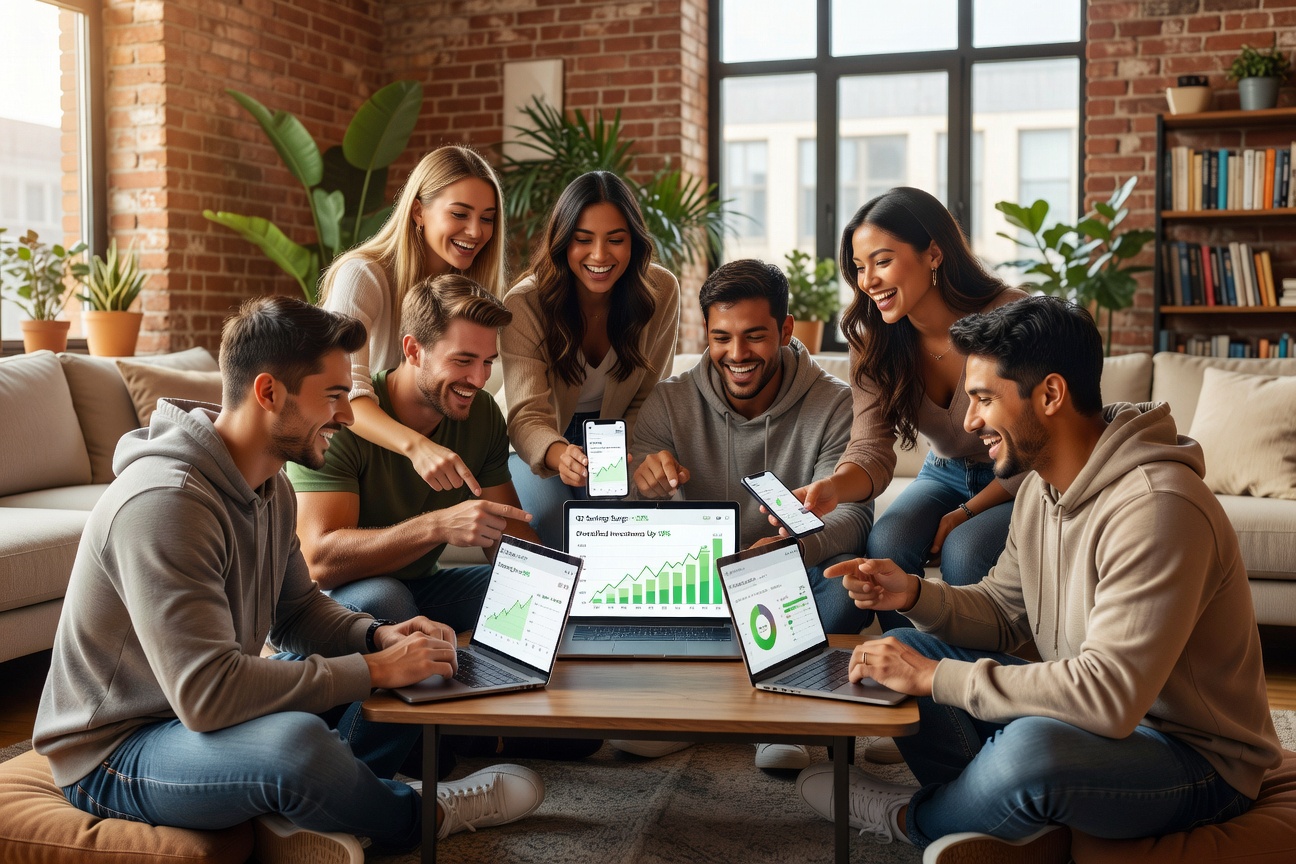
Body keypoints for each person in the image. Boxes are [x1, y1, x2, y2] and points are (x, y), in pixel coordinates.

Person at [33, 296, 544, 864]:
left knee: (409, 664)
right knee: (297, 747)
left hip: (194, 714)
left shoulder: (270, 485)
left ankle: (313, 805)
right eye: (333, 396)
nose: (350, 416)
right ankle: (425, 814)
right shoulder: (166, 503)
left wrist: (377, 639)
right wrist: (371, 669)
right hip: (117, 748)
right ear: (269, 393)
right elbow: (209, 696)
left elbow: (298, 613)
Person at [795, 296, 1283, 862]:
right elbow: (1003, 615)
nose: (970, 421)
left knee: (1029, 747)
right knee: (903, 645)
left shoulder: (1158, 507)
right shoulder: (1039, 489)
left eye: (982, 399)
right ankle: (1003, 819)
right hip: (1098, 728)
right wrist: (912, 594)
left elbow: (1109, 697)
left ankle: (914, 818)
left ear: (1049, 394)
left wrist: (938, 678)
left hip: (1195, 761)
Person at [794, 187, 1028, 608]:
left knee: (965, 552)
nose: (868, 281)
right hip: (944, 472)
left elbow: (1035, 445)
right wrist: (833, 486)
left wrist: (967, 512)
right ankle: (905, 659)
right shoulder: (872, 340)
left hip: (1016, 475)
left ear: (933, 254)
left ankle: (961, 671)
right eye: (860, 267)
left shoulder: (1011, 317)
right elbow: (869, 448)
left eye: (882, 261)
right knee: (886, 544)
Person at [632, 259, 873, 635]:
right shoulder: (668, 401)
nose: (738, 354)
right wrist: (642, 486)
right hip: (697, 576)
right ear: (706, 334)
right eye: (722, 337)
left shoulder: (837, 404)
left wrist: (790, 548)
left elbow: (852, 516)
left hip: (787, 567)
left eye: (755, 336)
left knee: (843, 592)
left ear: (785, 330)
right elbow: (625, 518)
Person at [290, 274, 537, 632]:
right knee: (385, 600)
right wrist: (437, 527)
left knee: (529, 590)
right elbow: (318, 562)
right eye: (463, 360)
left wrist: (558, 583)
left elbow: (509, 538)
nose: (480, 379)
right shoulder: (341, 420)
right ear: (413, 350)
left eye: (487, 362)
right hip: (327, 598)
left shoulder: (482, 415)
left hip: (423, 590)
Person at [501, 170, 681, 549]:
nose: (600, 256)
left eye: (616, 240)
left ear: (634, 243)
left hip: (616, 437)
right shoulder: (525, 303)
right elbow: (526, 415)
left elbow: (647, 398)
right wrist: (558, 453)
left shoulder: (661, 291)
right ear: (563, 243)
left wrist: (622, 457)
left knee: (626, 530)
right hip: (538, 441)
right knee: (555, 528)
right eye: (583, 240)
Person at [320, 145, 507, 497]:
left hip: (416, 471)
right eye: (460, 214)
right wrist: (418, 448)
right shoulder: (362, 277)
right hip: (350, 460)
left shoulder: (475, 294)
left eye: (486, 217)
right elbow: (344, 395)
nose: (475, 231)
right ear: (418, 211)